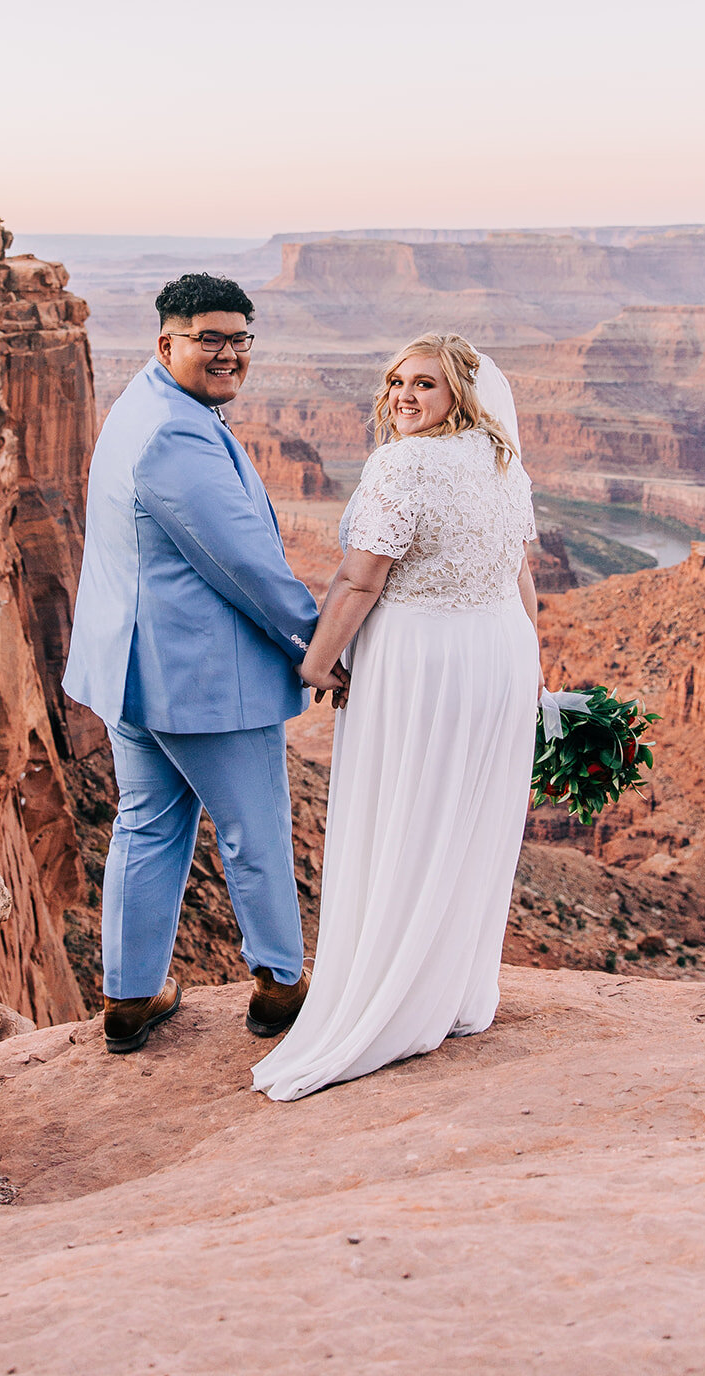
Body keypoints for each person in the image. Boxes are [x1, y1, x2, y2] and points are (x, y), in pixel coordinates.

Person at [251, 332, 541, 1102]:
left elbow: (358, 578)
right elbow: (520, 573)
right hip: (499, 652)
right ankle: (446, 993)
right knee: (465, 818)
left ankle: (385, 1002)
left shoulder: (401, 463)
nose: (403, 397)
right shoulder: (501, 457)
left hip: (424, 661)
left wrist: (316, 661)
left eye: (424, 385)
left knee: (405, 814)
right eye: (395, 383)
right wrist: (531, 664)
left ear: (461, 396)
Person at [63, 273, 322, 1054]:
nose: (229, 354)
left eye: (240, 338)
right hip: (201, 682)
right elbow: (242, 564)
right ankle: (281, 987)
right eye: (209, 338)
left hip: (132, 674)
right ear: (165, 342)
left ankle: (132, 998)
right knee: (254, 831)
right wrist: (319, 650)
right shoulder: (174, 433)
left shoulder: (143, 404)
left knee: (147, 827)